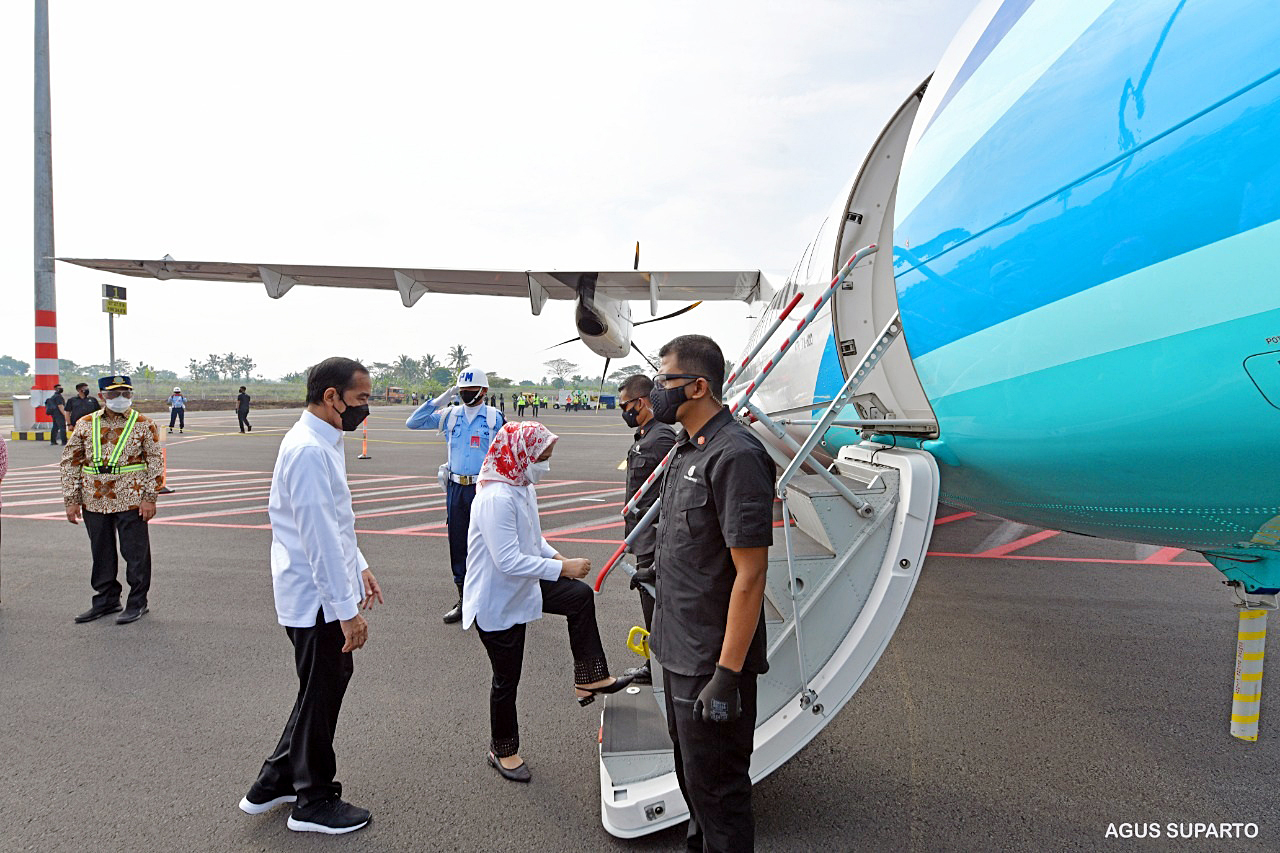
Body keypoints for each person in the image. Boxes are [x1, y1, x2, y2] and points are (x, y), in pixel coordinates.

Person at [240, 356, 384, 835]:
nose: (366, 409)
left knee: (317, 690)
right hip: (316, 599)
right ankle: (313, 801)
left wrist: (360, 566)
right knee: (322, 692)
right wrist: (348, 615)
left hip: (323, 592)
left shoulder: (323, 441)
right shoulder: (307, 450)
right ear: (331, 396)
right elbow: (318, 540)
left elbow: (336, 525)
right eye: (361, 399)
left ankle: (274, 781)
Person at [649, 335, 773, 852]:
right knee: (693, 785)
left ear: (698, 386)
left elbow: (751, 574)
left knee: (720, 795)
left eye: (664, 380)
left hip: (709, 662)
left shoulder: (736, 455)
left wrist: (726, 677)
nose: (656, 390)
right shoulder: (686, 448)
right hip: (678, 647)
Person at [463, 420, 633, 782]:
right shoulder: (496, 498)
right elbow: (507, 560)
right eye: (542, 457)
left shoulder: (520, 485)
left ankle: (589, 677)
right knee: (506, 680)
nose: (546, 465)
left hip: (522, 587)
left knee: (579, 597)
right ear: (521, 455)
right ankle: (502, 749)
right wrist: (563, 568)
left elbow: (534, 540)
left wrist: (558, 560)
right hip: (497, 602)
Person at [60, 375, 164, 625]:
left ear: (131, 395)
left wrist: (150, 498)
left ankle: (138, 602)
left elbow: (155, 462)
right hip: (94, 499)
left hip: (131, 498)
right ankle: (106, 599)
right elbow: (69, 462)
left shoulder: (143, 424)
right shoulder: (85, 424)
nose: (120, 399)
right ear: (101, 396)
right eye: (114, 394)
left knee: (135, 553)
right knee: (101, 552)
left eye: (126, 394)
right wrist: (71, 499)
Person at [405, 367, 504, 623]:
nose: (466, 395)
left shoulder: (494, 418)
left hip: (484, 488)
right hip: (456, 489)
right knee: (458, 544)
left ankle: (490, 599)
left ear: (483, 391)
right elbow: (413, 422)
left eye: (471, 391)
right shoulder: (449, 415)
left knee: (488, 544)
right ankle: (464, 600)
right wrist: (442, 398)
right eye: (462, 391)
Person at [616, 374, 677, 684]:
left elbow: (670, 494)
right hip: (643, 538)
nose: (622, 410)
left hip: (655, 541)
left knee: (657, 607)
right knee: (648, 606)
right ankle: (654, 666)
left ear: (640, 403)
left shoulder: (662, 438)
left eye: (624, 404)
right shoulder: (645, 437)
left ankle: (660, 670)